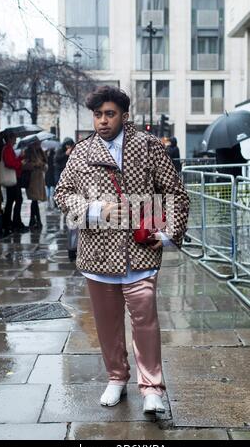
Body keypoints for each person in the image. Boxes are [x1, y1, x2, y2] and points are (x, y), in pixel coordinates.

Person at [54, 86, 190, 414]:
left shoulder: (148, 148)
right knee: (107, 322)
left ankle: (152, 387)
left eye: (109, 114)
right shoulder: (83, 152)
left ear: (124, 115)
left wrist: (170, 233)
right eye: (98, 115)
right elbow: (62, 193)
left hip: (139, 250)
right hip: (98, 253)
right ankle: (116, 378)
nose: (102, 121)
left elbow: (176, 192)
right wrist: (94, 209)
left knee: (145, 320)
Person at [2, 132, 29, 235]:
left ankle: (12, 223)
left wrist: (21, 158)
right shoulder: (7, 148)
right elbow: (9, 163)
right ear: (10, 138)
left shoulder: (9, 148)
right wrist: (20, 163)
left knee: (14, 200)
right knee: (14, 200)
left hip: (14, 177)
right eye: (14, 138)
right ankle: (12, 223)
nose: (16, 141)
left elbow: (12, 161)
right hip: (12, 178)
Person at [23, 140, 48, 230]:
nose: (39, 144)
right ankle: (37, 220)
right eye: (38, 142)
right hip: (32, 178)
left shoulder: (40, 151)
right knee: (34, 200)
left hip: (39, 179)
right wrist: (35, 164)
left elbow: (45, 163)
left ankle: (33, 221)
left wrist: (42, 165)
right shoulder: (28, 152)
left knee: (35, 200)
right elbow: (24, 164)